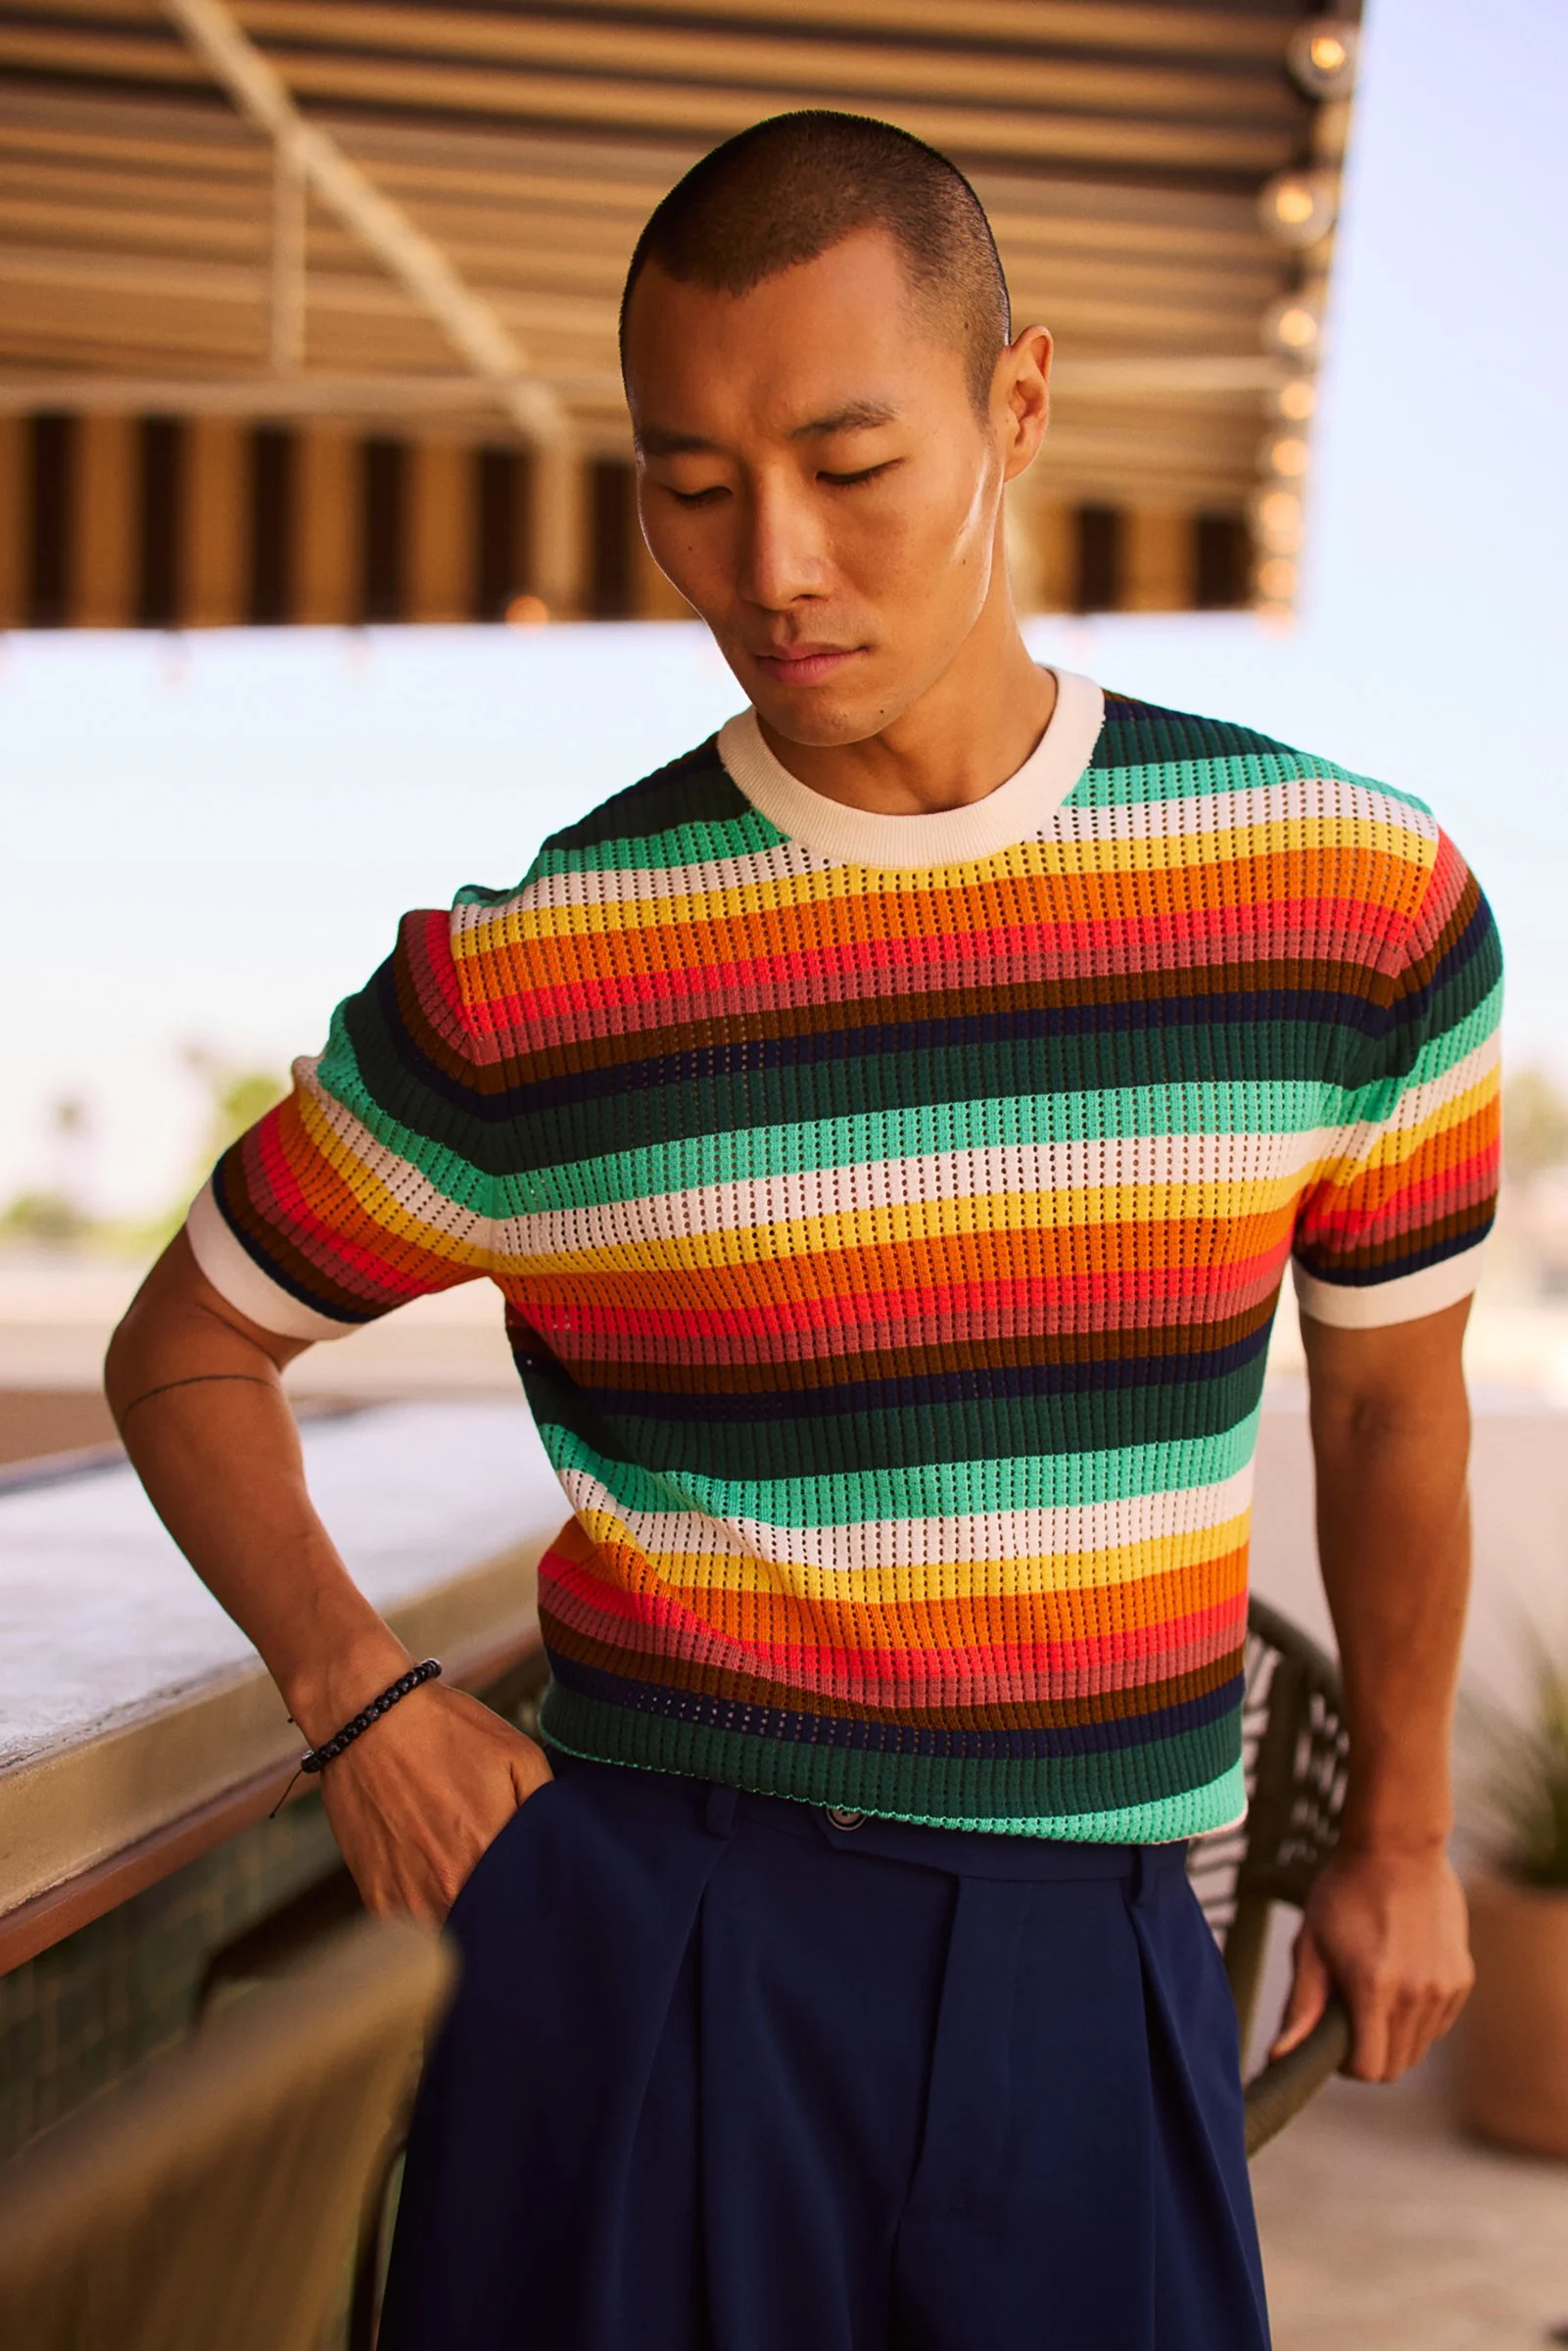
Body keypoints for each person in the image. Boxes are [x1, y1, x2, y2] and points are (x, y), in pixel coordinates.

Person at [106, 111, 1500, 2351]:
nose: (770, 563)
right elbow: (179, 1349)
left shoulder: (1351, 905)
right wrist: (352, 1698)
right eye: (688, 484)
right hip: (645, 1937)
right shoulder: (536, 971)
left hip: (1097, 1938)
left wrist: (1402, 1835)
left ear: (1013, 405)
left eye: (849, 464)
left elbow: (1394, 1411)